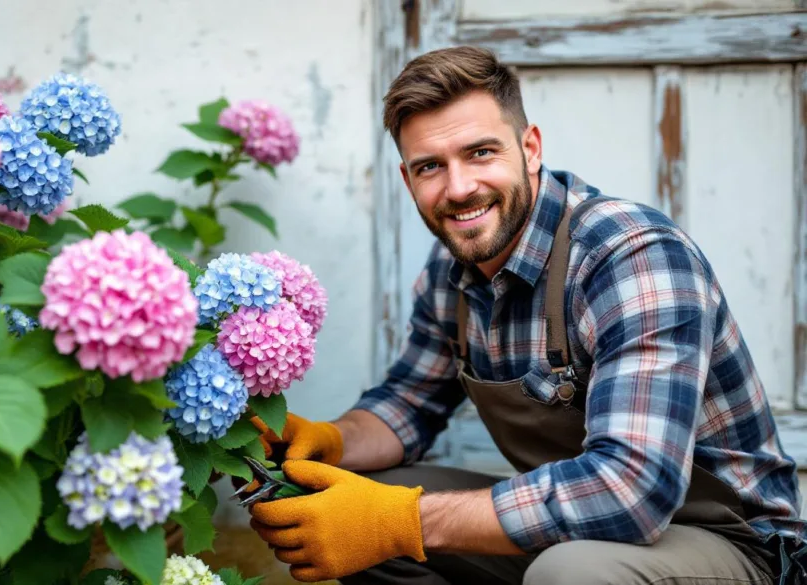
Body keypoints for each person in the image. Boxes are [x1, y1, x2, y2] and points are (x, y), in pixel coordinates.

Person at [240, 45, 807, 585]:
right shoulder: (452, 273)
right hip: (579, 532)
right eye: (430, 166)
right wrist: (325, 440)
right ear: (407, 179)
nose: (459, 188)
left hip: (728, 542)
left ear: (530, 148)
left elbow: (634, 490)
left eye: (481, 152)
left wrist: (399, 523)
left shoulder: (631, 255)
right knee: (342, 496)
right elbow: (410, 405)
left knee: (569, 573)